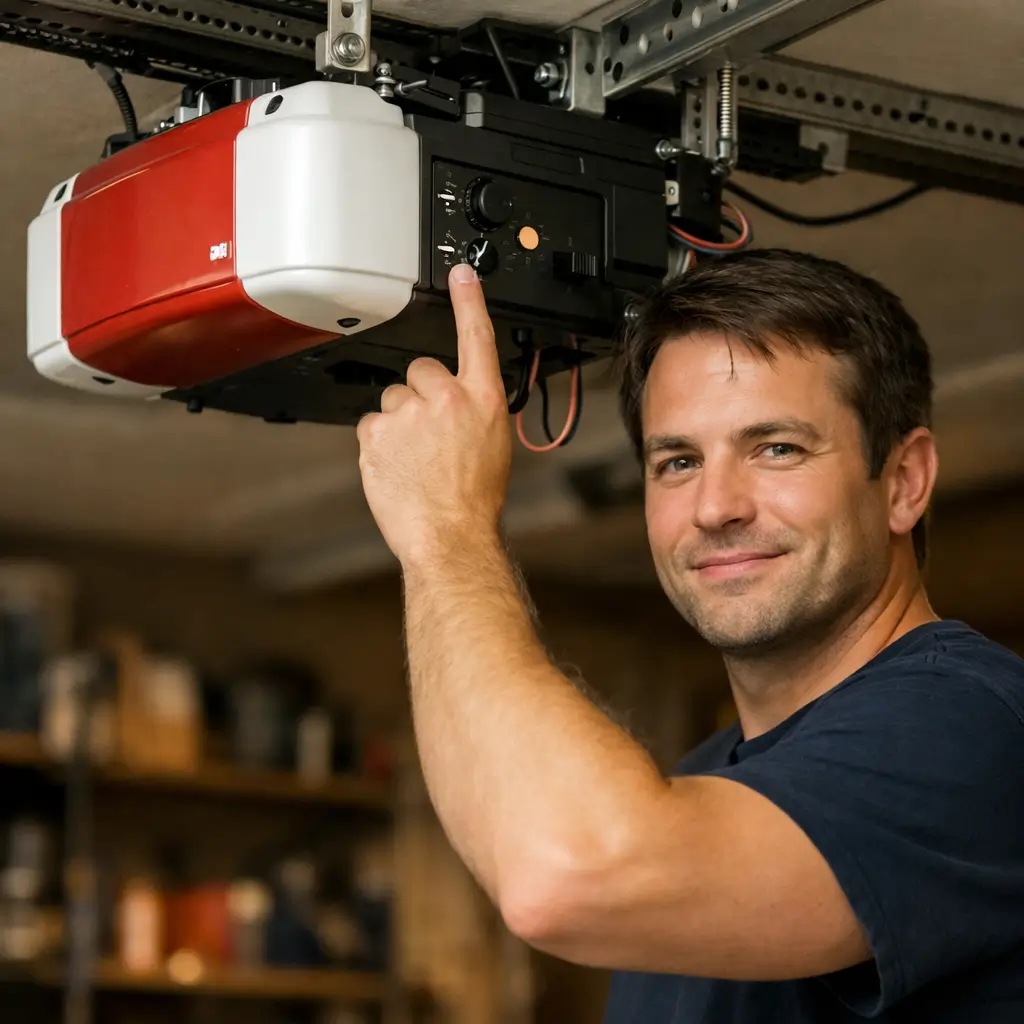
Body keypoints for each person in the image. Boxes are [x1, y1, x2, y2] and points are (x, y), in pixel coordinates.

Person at [355, 248, 1024, 1023]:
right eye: (677, 461)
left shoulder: (967, 726)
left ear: (904, 481)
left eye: (777, 448)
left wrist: (446, 529)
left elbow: (560, 877)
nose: (716, 507)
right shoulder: (704, 784)